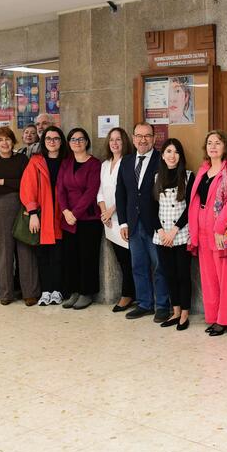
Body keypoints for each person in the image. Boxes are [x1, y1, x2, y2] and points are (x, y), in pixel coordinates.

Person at [115, 122, 170, 321]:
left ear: (154, 139)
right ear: (133, 137)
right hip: (133, 224)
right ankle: (145, 304)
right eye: (139, 135)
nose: (143, 139)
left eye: (147, 136)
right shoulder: (126, 161)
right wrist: (123, 223)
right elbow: (120, 194)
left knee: (159, 265)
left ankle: (163, 305)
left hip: (156, 224)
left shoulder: (162, 160)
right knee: (138, 265)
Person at [188, 130, 227, 336]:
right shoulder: (203, 170)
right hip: (201, 229)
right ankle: (212, 316)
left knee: (224, 277)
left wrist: (219, 227)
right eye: (210, 143)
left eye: (218, 142)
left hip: (221, 232)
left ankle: (224, 319)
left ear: (225, 146)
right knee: (208, 277)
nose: (213, 146)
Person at [0, 127, 39, 306]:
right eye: (0, 140)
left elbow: (27, 182)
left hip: (21, 208)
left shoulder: (22, 158)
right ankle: (5, 293)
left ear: (13, 141)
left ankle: (30, 292)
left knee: (26, 251)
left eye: (7, 139)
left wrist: (4, 181)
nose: (4, 143)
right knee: (3, 253)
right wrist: (15, 183)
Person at [21, 125, 68, 306]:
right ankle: (46, 291)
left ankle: (57, 290)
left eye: (56, 139)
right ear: (43, 141)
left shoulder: (67, 160)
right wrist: (33, 212)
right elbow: (28, 187)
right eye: (48, 139)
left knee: (59, 255)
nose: (52, 142)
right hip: (42, 214)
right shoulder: (36, 161)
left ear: (61, 141)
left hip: (62, 213)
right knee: (42, 255)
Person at [58, 127, 103, 310]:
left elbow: (92, 191)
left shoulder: (94, 164)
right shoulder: (66, 163)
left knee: (87, 257)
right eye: (73, 139)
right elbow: (60, 189)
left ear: (86, 142)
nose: (77, 142)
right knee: (71, 257)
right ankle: (74, 291)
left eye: (81, 139)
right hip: (68, 219)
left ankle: (86, 293)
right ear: (69, 143)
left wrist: (75, 213)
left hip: (88, 218)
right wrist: (65, 211)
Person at [152, 138, 195, 330]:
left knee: (182, 275)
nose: (172, 155)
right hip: (161, 236)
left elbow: (190, 209)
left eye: (176, 152)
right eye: (168, 151)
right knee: (169, 274)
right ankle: (175, 311)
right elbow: (150, 207)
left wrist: (174, 230)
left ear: (181, 156)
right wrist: (161, 231)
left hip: (181, 233)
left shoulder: (188, 176)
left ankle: (185, 313)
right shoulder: (156, 178)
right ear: (162, 155)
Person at [97, 127, 136, 312]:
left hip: (123, 218)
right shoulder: (105, 164)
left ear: (125, 142)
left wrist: (113, 209)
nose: (114, 143)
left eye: (118, 139)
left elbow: (127, 193)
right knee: (121, 260)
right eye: (111, 139)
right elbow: (101, 191)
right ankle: (130, 293)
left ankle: (127, 295)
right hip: (108, 220)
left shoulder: (128, 162)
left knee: (128, 259)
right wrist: (104, 211)